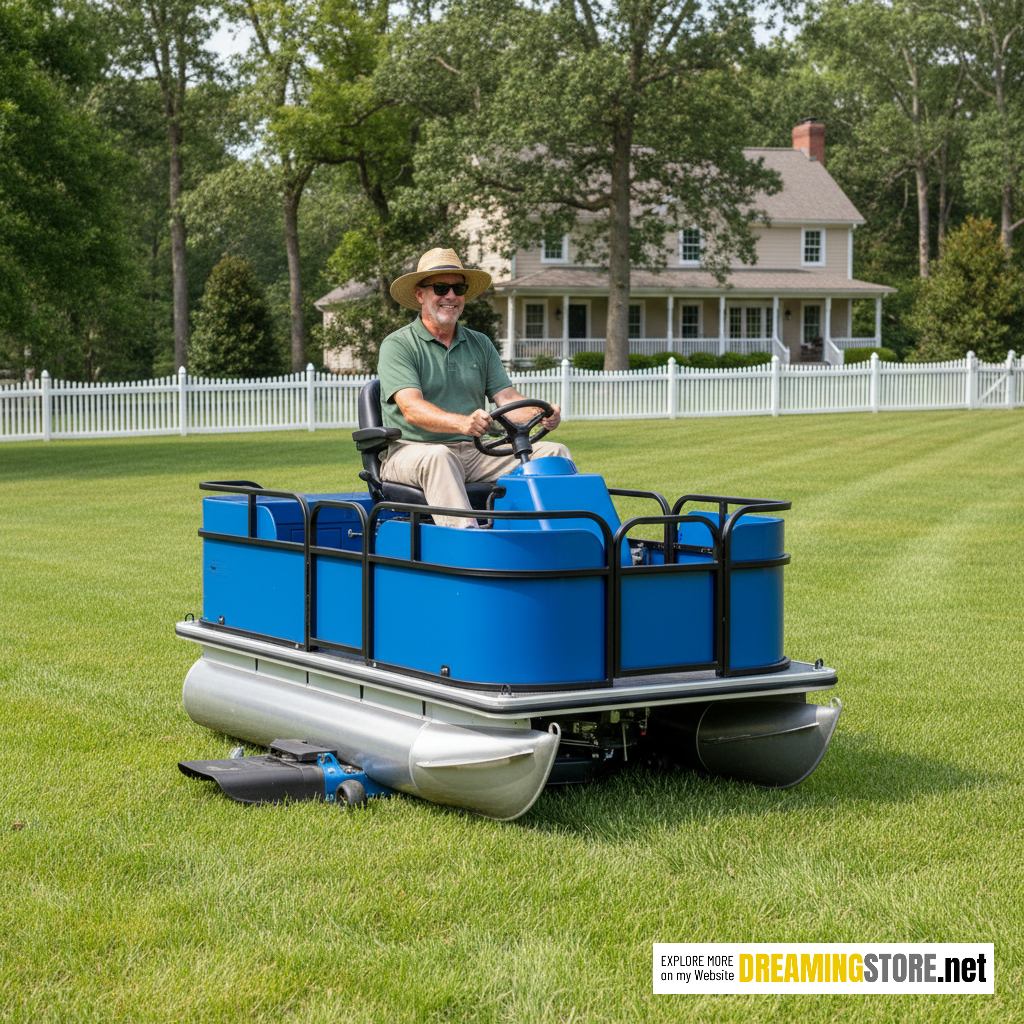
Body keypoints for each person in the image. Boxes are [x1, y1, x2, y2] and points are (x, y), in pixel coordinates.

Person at [377, 247, 572, 527]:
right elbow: (412, 408)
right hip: (410, 450)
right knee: (440, 457)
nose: (451, 296)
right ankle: (468, 551)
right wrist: (462, 423)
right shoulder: (399, 345)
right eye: (441, 288)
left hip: (473, 452)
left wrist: (541, 413)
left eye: (458, 288)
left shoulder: (479, 343)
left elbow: (507, 398)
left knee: (555, 452)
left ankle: (563, 538)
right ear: (420, 295)